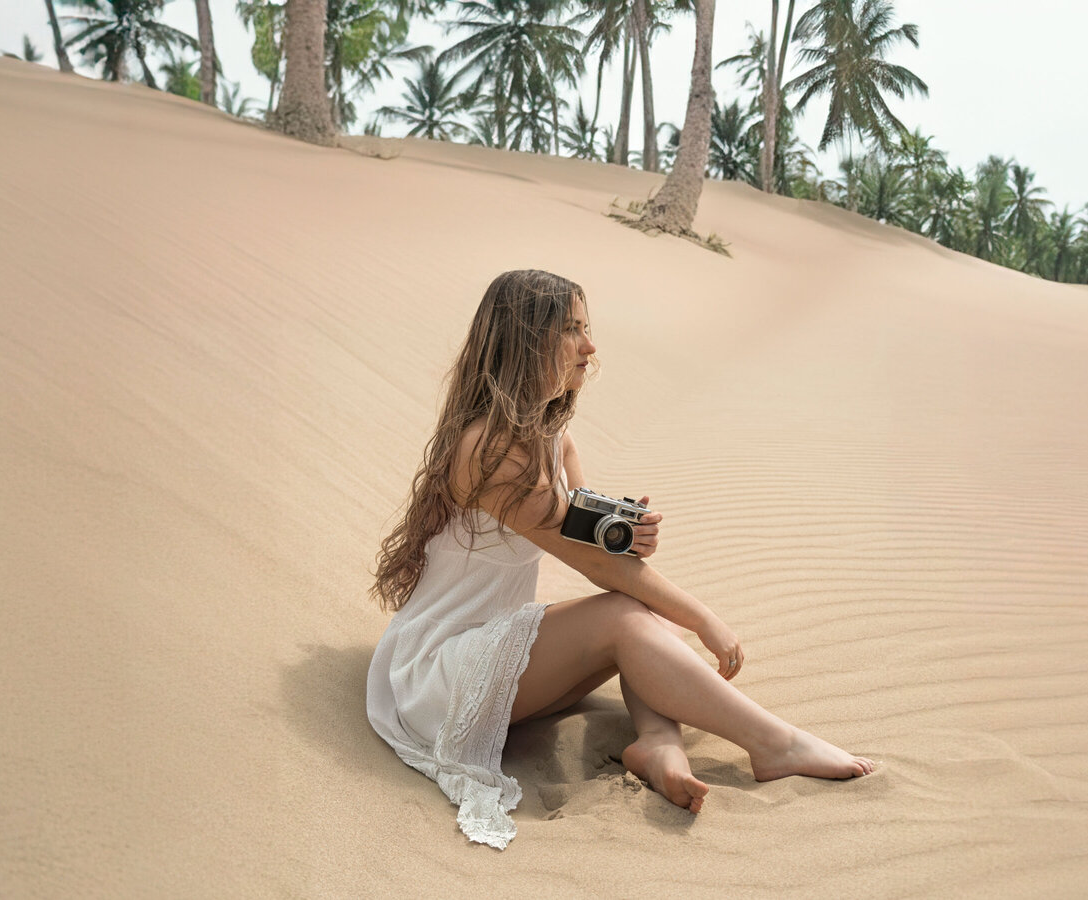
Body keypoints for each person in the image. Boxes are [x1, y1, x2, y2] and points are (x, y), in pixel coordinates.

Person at [366, 269, 875, 849]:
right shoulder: (490, 449)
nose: (590, 346)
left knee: (628, 607)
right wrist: (701, 618)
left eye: (587, 328)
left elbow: (596, 548)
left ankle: (657, 742)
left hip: (493, 657)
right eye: (571, 331)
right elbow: (595, 567)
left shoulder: (554, 437)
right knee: (622, 613)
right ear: (527, 341)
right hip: (437, 675)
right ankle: (774, 744)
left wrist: (626, 535)